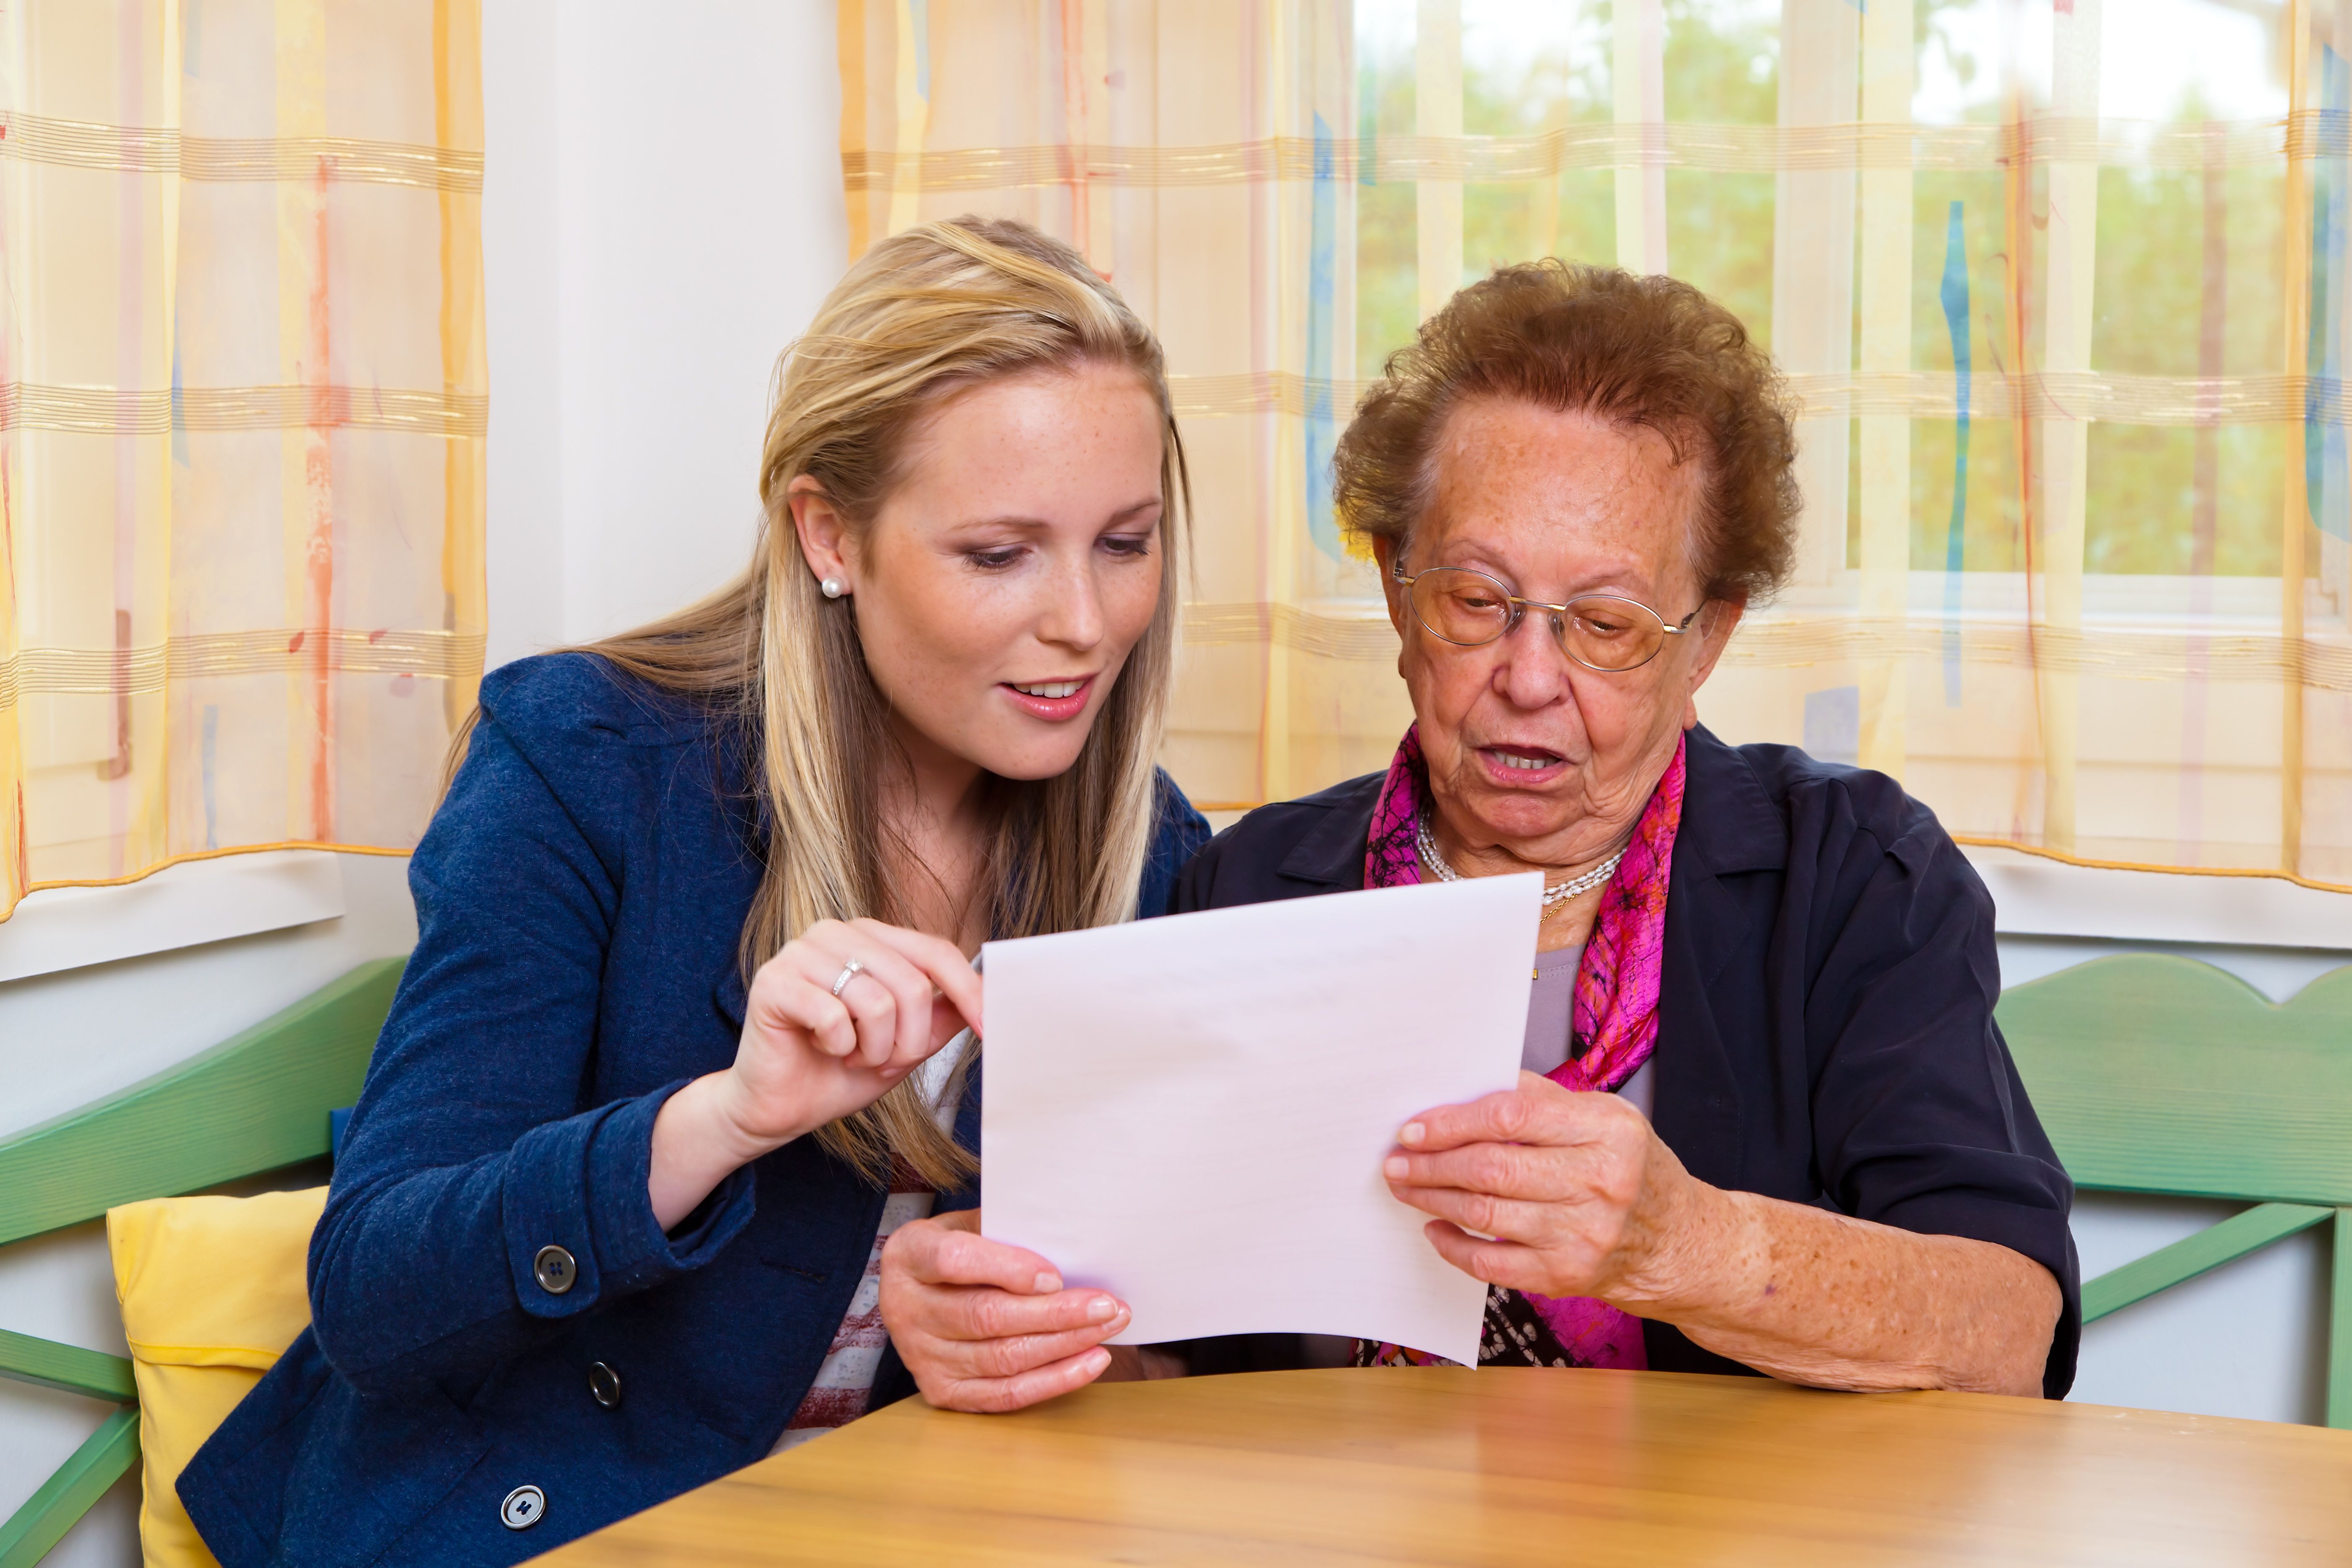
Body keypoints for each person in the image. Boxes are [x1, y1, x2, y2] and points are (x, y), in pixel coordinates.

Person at [178, 218, 1210, 1566]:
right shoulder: (588, 762)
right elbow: (375, 1293)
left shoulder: (1154, 851)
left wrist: (1050, 1347)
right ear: (830, 534)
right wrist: (724, 1119)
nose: (1084, 621)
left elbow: (1174, 1333)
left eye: (1125, 543)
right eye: (1000, 554)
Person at [879, 261, 2079, 1409]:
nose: (1528, 678)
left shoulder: (1852, 875)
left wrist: (1688, 1246)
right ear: (1401, 593)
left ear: (1705, 638)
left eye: (1605, 623)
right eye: (1475, 600)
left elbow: (2008, 1334)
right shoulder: (1251, 887)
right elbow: (1182, 1369)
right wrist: (1024, 1341)